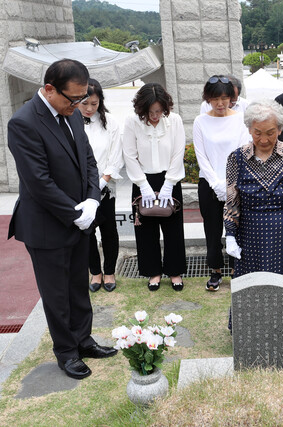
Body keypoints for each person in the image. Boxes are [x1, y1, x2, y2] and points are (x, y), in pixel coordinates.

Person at [7, 59, 117, 380]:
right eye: (73, 99)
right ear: (49, 89)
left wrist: (93, 202)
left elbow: (89, 162)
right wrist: (75, 214)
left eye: (83, 98)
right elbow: (38, 182)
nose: (80, 106)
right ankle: (66, 352)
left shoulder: (72, 114)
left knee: (78, 288)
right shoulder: (24, 122)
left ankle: (83, 340)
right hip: (46, 225)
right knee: (56, 294)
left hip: (81, 217)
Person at [224, 99, 283, 345]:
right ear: (249, 129)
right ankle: (250, 331)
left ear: (280, 130)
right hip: (249, 228)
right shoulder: (236, 158)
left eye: (270, 133)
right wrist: (230, 233)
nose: (263, 139)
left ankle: (282, 332)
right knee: (250, 279)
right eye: (257, 132)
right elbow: (232, 197)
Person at [122, 83, 187, 292]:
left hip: (170, 180)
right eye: (150, 112)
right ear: (142, 109)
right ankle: (154, 272)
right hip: (142, 180)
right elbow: (129, 155)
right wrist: (143, 185)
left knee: (173, 229)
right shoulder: (132, 122)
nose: (155, 116)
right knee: (146, 230)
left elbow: (178, 152)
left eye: (159, 111)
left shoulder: (174, 121)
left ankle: (175, 272)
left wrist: (169, 183)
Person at [193, 76, 250, 291]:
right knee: (212, 229)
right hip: (208, 184)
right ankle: (215, 271)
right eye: (215, 99)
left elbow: (243, 152)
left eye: (225, 98)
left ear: (232, 98)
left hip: (237, 184)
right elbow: (201, 156)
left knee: (237, 228)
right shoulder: (201, 121)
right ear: (207, 99)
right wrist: (216, 184)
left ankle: (238, 270)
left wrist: (229, 184)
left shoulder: (241, 119)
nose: (220, 104)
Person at [78, 78, 124, 293]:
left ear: (100, 102)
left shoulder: (111, 122)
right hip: (79, 190)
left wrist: (101, 183)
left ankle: (109, 271)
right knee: (87, 231)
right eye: (84, 103)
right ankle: (95, 272)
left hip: (105, 187)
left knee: (108, 230)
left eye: (93, 104)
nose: (88, 108)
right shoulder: (70, 121)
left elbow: (116, 158)